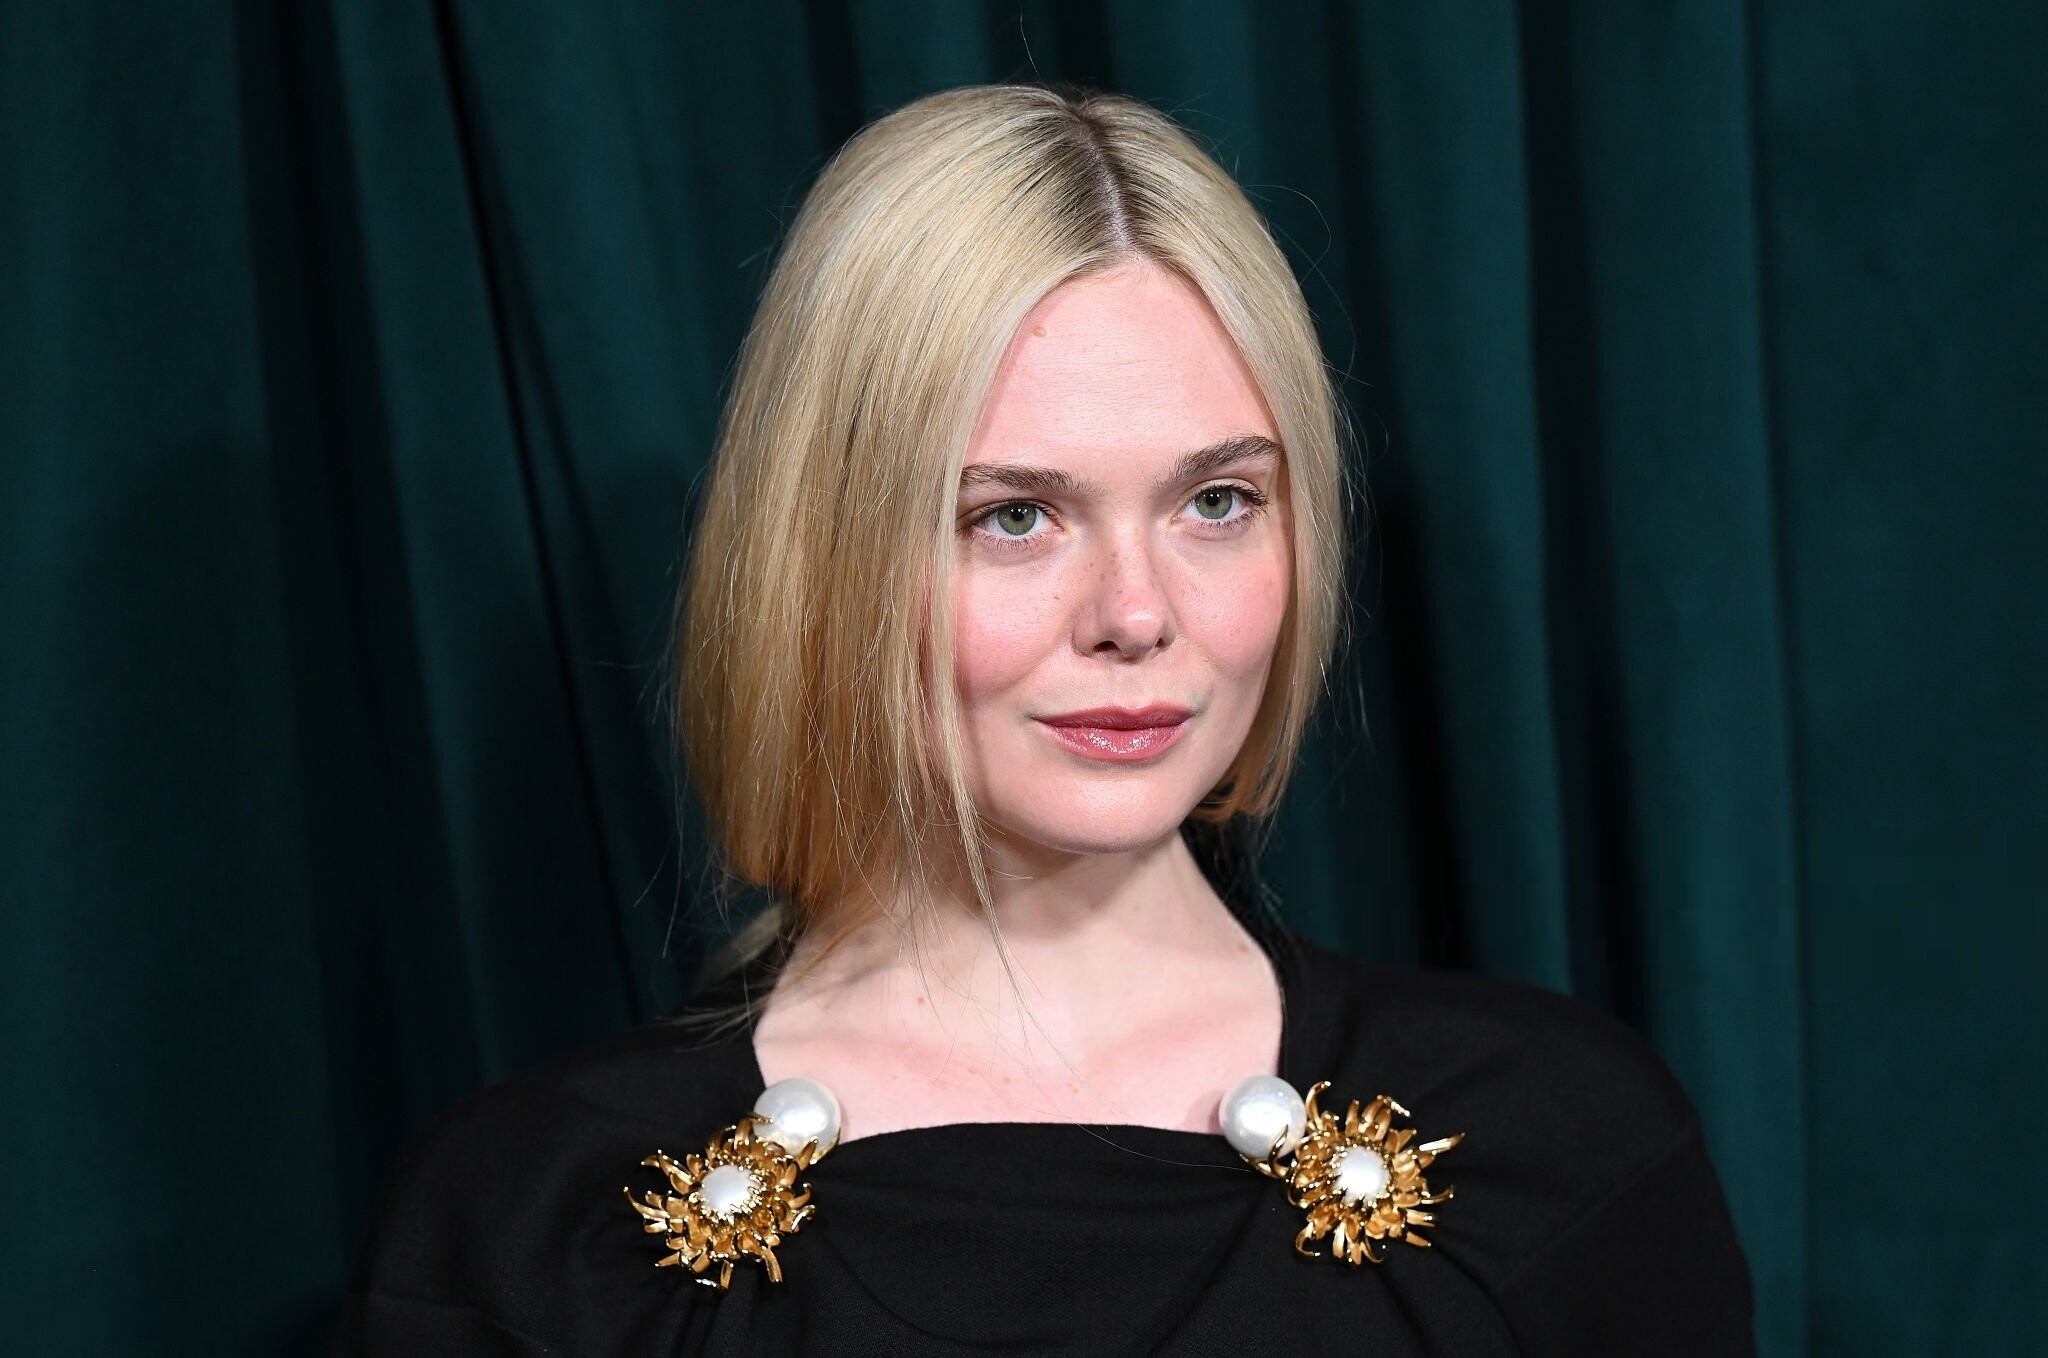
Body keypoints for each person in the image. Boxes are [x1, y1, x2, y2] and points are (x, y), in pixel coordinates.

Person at [331, 83, 1755, 1355]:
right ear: (828, 561)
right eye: (1015, 516)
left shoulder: (1560, 1153)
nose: (1136, 613)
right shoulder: (525, 1234)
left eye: (1217, 501)